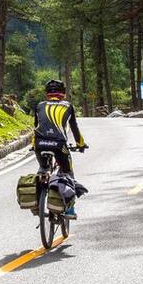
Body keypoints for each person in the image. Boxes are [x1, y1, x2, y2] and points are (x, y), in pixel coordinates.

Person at [33, 79, 89, 219]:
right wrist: (80, 144)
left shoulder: (40, 105)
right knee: (68, 173)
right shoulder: (68, 106)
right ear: (63, 93)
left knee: (43, 170)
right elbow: (74, 128)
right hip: (59, 145)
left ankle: (37, 205)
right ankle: (69, 209)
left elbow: (36, 127)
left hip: (40, 144)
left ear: (47, 94)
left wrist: (33, 146)